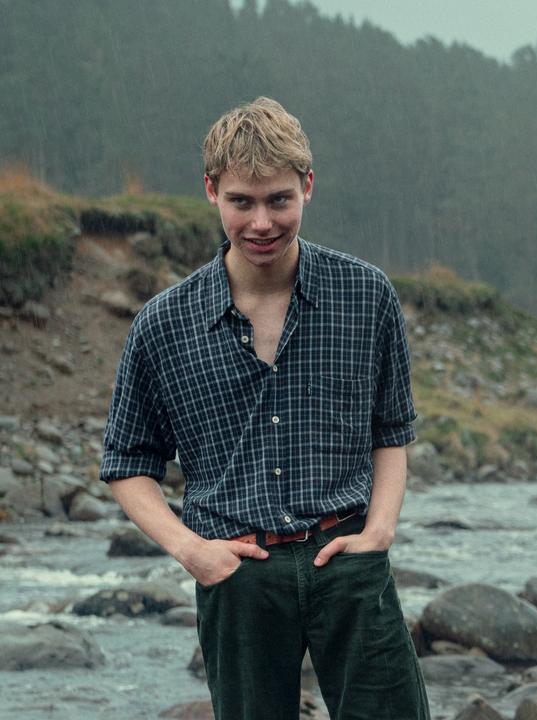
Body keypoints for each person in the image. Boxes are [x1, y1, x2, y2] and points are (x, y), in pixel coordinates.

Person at [100, 97, 430, 719]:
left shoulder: (366, 294)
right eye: (241, 202)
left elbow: (391, 428)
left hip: (349, 562)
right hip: (235, 574)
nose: (261, 222)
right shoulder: (162, 324)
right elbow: (127, 462)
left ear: (308, 186)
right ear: (211, 192)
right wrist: (190, 550)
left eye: (279, 199)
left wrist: (380, 531)